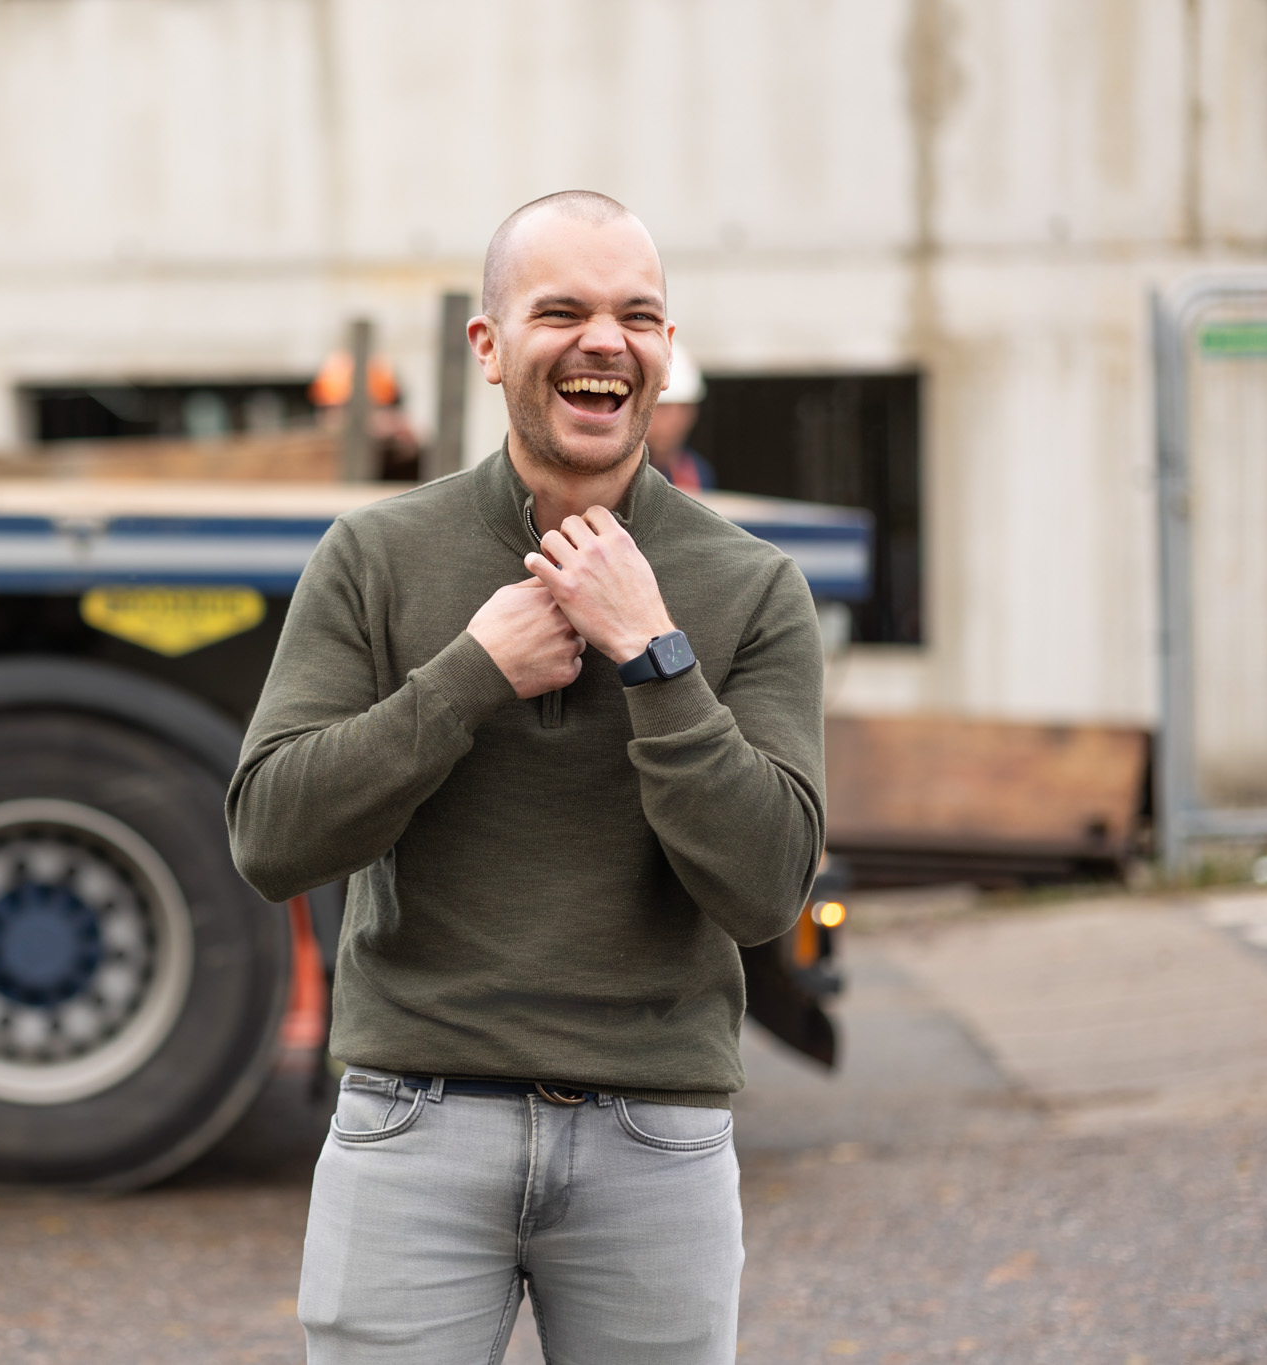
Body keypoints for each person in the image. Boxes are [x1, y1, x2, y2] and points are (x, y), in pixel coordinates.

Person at [227, 192, 824, 1363]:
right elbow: (268, 839)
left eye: (636, 317)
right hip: (412, 1124)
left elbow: (763, 893)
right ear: (489, 346)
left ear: (661, 351)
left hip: (654, 1139)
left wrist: (656, 658)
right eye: (561, 311)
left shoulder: (751, 590)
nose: (604, 341)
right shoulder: (375, 557)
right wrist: (464, 680)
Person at [649, 343, 717, 492]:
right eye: (663, 408)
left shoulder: (698, 473)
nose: (675, 420)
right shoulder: (612, 474)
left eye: (684, 408)